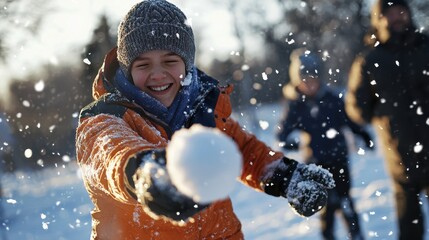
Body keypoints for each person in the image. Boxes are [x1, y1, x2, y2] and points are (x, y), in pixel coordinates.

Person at [75, 0, 336, 239]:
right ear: (127, 68)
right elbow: (111, 154)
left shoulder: (200, 111)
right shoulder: (104, 119)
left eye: (170, 60)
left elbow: (242, 149)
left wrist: (283, 175)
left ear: (187, 64)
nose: (157, 74)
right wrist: (146, 174)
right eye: (143, 65)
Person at [345, 0, 429, 239]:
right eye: (389, 14)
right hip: (401, 154)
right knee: (410, 223)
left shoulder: (426, 47)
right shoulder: (370, 59)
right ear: (378, 19)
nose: (397, 17)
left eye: (400, 11)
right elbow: (356, 106)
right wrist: (382, 113)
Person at [277, 49, 372, 240]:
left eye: (313, 79)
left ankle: (357, 235)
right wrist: (291, 143)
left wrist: (363, 134)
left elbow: (349, 120)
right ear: (297, 82)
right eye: (305, 80)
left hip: (338, 158)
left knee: (346, 202)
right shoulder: (296, 106)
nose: (310, 84)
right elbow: (283, 134)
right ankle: (328, 236)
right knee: (325, 207)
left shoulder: (332, 99)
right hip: (315, 164)